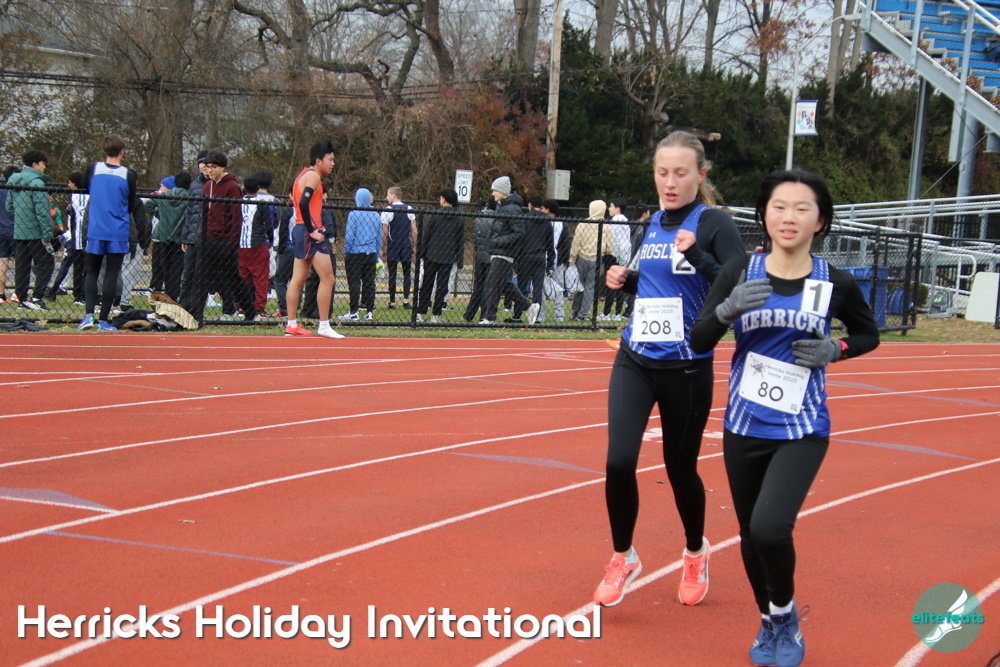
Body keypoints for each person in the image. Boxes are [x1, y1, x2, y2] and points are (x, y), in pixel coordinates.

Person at [689, 169, 880, 667]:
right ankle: (770, 618)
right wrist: (726, 311)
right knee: (750, 536)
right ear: (764, 215)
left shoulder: (834, 281)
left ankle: (786, 614)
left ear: (821, 221)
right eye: (779, 206)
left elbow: (869, 334)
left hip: (802, 427)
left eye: (801, 208)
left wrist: (836, 349)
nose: (788, 217)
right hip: (744, 424)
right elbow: (699, 339)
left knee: (771, 528)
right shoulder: (739, 271)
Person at [593, 130, 745, 610]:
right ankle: (623, 557)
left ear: (701, 175)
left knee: (680, 471)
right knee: (619, 462)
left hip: (687, 369)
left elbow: (739, 282)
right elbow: (658, 284)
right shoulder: (654, 221)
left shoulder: (714, 222)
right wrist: (625, 280)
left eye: (681, 173)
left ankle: (696, 552)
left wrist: (696, 253)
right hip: (635, 358)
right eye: (662, 173)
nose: (670, 182)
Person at [75, 136, 138, 330]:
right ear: (122, 152)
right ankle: (103, 320)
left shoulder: (93, 169)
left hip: (96, 228)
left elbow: (86, 186)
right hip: (117, 230)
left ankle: (89, 315)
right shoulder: (128, 175)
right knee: (111, 274)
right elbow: (131, 203)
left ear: (104, 151)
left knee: (92, 272)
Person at [284, 140, 343, 338]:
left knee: (298, 279)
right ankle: (324, 325)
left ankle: (291, 324)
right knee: (328, 279)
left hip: (301, 229)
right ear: (319, 160)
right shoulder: (314, 176)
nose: (333, 163)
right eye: (330, 159)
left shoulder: (304, 174)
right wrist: (312, 231)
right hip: (309, 231)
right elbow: (303, 202)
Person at [190, 149, 256, 324]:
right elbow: (206, 212)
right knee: (201, 276)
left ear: (222, 167)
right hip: (208, 238)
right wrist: (202, 232)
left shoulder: (232, 187)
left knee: (232, 277)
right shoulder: (208, 186)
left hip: (225, 239)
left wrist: (233, 241)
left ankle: (250, 312)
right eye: (207, 166)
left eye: (213, 167)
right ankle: (196, 314)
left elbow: (237, 216)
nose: (209, 170)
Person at [478, 176, 540, 325]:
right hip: (499, 251)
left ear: (503, 191)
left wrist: (499, 241)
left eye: (495, 190)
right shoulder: (503, 207)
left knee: (492, 284)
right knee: (504, 284)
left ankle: (490, 317)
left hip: (504, 253)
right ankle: (529, 307)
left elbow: (519, 232)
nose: (493, 193)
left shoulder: (512, 208)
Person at [5, 150, 54, 311]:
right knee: (46, 264)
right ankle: (37, 297)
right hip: (36, 232)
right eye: (43, 164)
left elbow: (9, 207)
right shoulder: (37, 184)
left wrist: (21, 219)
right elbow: (42, 212)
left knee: (22, 266)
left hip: (20, 231)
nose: (44, 167)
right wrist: (47, 234)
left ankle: (22, 299)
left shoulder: (14, 182)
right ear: (35, 164)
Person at [416, 187, 464, 323]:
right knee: (442, 285)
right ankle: (436, 314)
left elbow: (427, 235)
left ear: (444, 199)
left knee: (427, 284)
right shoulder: (458, 219)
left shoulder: (435, 215)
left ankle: (420, 312)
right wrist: (459, 259)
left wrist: (422, 253)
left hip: (432, 254)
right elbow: (460, 240)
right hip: (448, 256)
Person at [146, 173, 190, 301]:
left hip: (164, 237)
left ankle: (164, 296)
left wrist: (161, 215)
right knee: (177, 271)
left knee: (165, 268)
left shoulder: (163, 196)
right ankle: (172, 297)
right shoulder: (189, 198)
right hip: (180, 237)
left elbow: (147, 205)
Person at [569, 200, 614, 322]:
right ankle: (583, 314)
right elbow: (610, 247)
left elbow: (576, 244)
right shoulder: (606, 227)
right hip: (596, 260)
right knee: (590, 287)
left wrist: (572, 259)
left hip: (581, 258)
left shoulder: (583, 225)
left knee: (579, 285)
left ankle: (575, 312)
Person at [341, 187, 382, 321]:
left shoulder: (354, 214)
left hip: (355, 253)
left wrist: (346, 251)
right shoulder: (375, 214)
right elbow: (379, 237)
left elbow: (350, 235)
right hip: (371, 253)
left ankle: (354, 311)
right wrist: (376, 254)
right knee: (369, 282)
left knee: (354, 282)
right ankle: (369, 311)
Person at [47, 171, 88, 304]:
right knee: (81, 268)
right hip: (82, 237)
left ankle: (56, 291)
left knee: (71, 266)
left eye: (70, 182)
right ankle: (78, 294)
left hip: (75, 237)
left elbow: (73, 220)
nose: (68, 184)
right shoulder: (88, 195)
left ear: (74, 183)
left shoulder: (75, 196)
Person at [238, 174, 275, 317]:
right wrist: (271, 239)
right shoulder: (261, 203)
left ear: (244, 188)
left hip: (241, 244)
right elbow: (269, 224)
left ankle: (242, 305)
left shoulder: (238, 202)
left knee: (243, 276)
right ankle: (259, 307)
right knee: (260, 277)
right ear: (258, 188)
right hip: (258, 243)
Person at [514, 194, 554, 323]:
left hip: (526, 255)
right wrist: (550, 262)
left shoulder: (525, 219)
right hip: (540, 255)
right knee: (537, 287)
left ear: (530, 205)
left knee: (521, 286)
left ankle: (517, 315)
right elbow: (550, 243)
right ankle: (535, 316)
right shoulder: (546, 220)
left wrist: (516, 259)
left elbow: (520, 240)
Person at [179, 150, 210, 310]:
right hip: (193, 237)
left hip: (209, 238)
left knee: (204, 276)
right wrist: (185, 237)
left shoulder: (216, 186)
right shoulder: (194, 186)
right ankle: (183, 306)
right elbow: (189, 213)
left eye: (208, 163)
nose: (204, 166)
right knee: (188, 275)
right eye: (202, 163)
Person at [380, 186, 417, 309]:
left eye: (388, 195)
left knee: (392, 273)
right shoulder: (409, 209)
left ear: (393, 195)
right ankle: (406, 300)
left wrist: (382, 248)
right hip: (406, 244)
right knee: (407, 273)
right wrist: (414, 246)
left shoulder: (388, 210)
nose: (387, 197)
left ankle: (392, 302)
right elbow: (414, 230)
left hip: (393, 244)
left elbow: (384, 231)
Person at [462, 198, 496, 323]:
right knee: (489, 286)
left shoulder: (479, 218)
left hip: (480, 255)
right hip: (492, 256)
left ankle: (469, 314)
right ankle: (484, 315)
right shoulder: (498, 219)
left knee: (478, 285)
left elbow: (475, 238)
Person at [601, 198, 631, 321]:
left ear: (617, 208)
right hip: (623, 255)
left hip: (612, 255)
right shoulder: (626, 222)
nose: (609, 209)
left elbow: (613, 240)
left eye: (611, 206)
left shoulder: (614, 221)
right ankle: (618, 313)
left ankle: (606, 313)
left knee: (610, 283)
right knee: (620, 284)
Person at [541, 198, 570, 322]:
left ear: (547, 210)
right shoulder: (562, 224)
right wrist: (565, 260)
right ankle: (559, 314)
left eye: (542, 209)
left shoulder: (542, 223)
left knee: (540, 287)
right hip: (558, 260)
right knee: (559, 287)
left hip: (543, 258)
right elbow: (566, 244)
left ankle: (541, 314)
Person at [0, 166, 19, 303]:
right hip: (16, 229)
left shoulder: (1, 190)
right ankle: (17, 293)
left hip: (1, 228)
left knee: (2, 262)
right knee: (21, 262)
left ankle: (1, 294)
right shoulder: (17, 191)